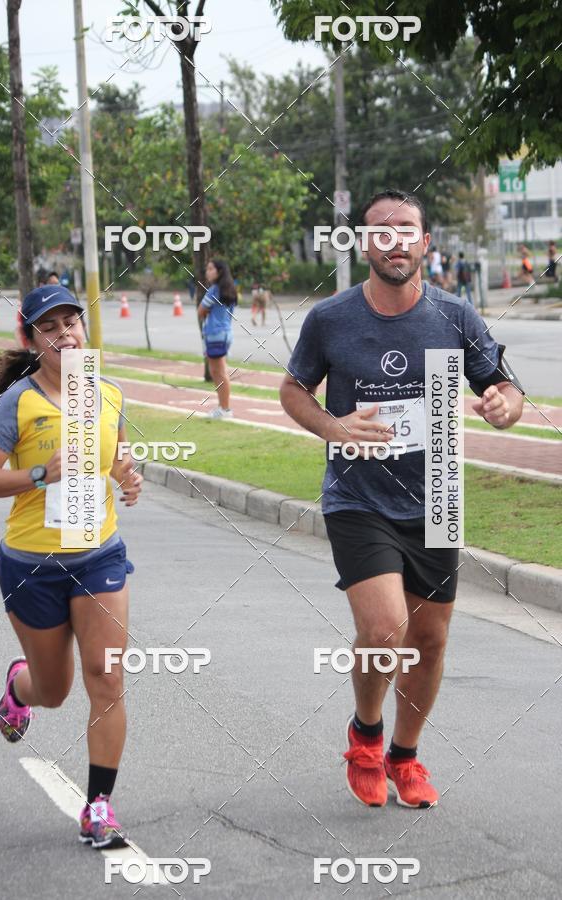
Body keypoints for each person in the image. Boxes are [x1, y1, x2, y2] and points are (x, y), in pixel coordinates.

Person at [280, 188, 524, 810]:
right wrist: (334, 428)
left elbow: (504, 386)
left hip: (435, 492)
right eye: (381, 231)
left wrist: (504, 405)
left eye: (406, 230)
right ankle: (366, 735)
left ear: (425, 243)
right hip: (357, 496)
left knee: (430, 639)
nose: (394, 242)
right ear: (364, 243)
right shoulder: (330, 319)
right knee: (386, 629)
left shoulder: (455, 315)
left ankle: (405, 754)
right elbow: (293, 390)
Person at [0, 284, 142, 847]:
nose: (65, 333)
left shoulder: (106, 392)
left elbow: (115, 456)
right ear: (32, 340)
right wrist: (41, 474)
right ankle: (20, 689)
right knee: (54, 688)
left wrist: (127, 476)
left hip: (99, 556)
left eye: (72, 322)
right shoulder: (19, 403)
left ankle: (99, 807)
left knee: (106, 676)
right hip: (31, 564)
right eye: (50, 326)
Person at [197, 258, 238, 419]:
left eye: (210, 269)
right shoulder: (229, 289)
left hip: (215, 334)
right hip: (225, 333)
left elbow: (201, 311)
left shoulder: (214, 290)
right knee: (219, 371)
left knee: (218, 372)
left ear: (219, 271)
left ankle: (225, 409)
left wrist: (208, 311)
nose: (207, 272)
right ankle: (223, 408)